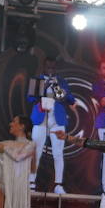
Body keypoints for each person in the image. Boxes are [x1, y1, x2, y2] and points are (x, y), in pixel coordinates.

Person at [29, 57, 73, 195]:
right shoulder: (36, 80)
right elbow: (30, 98)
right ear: (44, 67)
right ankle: (31, 183)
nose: (51, 70)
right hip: (41, 119)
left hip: (57, 120)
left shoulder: (62, 81)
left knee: (58, 154)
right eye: (48, 67)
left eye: (53, 68)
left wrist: (63, 92)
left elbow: (71, 100)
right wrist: (44, 88)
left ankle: (58, 184)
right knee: (36, 152)